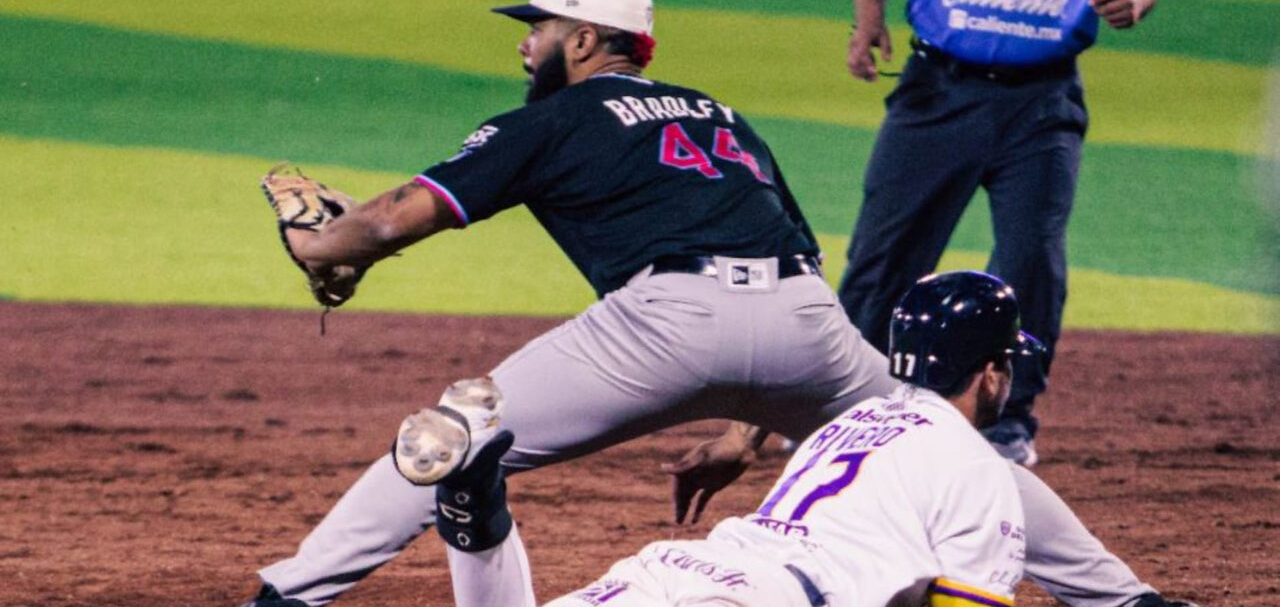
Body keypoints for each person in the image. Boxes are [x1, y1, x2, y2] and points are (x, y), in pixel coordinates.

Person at [242, 0, 900, 604]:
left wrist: (314, 245)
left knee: (452, 438)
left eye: (540, 28)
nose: (526, 44)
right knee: (935, 443)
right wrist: (746, 434)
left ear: (583, 40)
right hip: (809, 328)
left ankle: (288, 597)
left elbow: (390, 221)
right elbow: (788, 259)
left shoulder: (552, 119)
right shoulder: (721, 116)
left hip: (664, 329)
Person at [408, 272, 1198, 607]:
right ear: (992, 375)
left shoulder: (840, 428)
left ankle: (476, 501)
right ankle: (477, 498)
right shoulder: (977, 469)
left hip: (659, 578)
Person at [836, 0, 1160, 466]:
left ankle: (1005, 419)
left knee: (1031, 256)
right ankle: (847, 404)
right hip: (937, 89)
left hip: (1045, 102)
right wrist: (869, 20)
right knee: (885, 255)